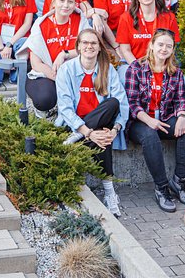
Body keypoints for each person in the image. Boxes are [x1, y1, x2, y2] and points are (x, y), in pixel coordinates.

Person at [55, 28, 129, 217]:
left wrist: (114, 130)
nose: (89, 46)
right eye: (85, 42)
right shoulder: (66, 70)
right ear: (78, 47)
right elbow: (65, 108)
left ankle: (109, 193)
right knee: (101, 137)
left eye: (93, 43)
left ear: (99, 47)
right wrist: (87, 131)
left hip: (92, 129)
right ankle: (109, 191)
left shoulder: (107, 69)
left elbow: (122, 104)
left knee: (111, 107)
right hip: (73, 126)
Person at [124, 29, 185, 212]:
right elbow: (131, 104)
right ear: (152, 45)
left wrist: (182, 116)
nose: (164, 49)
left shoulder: (176, 73)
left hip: (164, 118)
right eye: (160, 44)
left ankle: (179, 180)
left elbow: (181, 100)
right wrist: (149, 120)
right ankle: (161, 187)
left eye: (168, 46)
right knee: (149, 135)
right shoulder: (136, 68)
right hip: (140, 122)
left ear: (173, 49)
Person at [17, 0, 92, 115]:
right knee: (45, 99)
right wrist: (59, 79)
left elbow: (88, 49)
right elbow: (36, 63)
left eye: (70, 1)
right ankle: (44, 111)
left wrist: (65, 54)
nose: (66, 5)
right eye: (62, 0)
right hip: (47, 72)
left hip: (75, 72)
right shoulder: (41, 24)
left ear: (75, 4)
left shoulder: (80, 20)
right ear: (53, 2)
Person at [116, 0, 180, 66]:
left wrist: (159, 67)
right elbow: (126, 50)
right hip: (133, 64)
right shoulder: (126, 18)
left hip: (162, 63)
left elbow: (173, 47)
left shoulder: (169, 17)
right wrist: (138, 68)